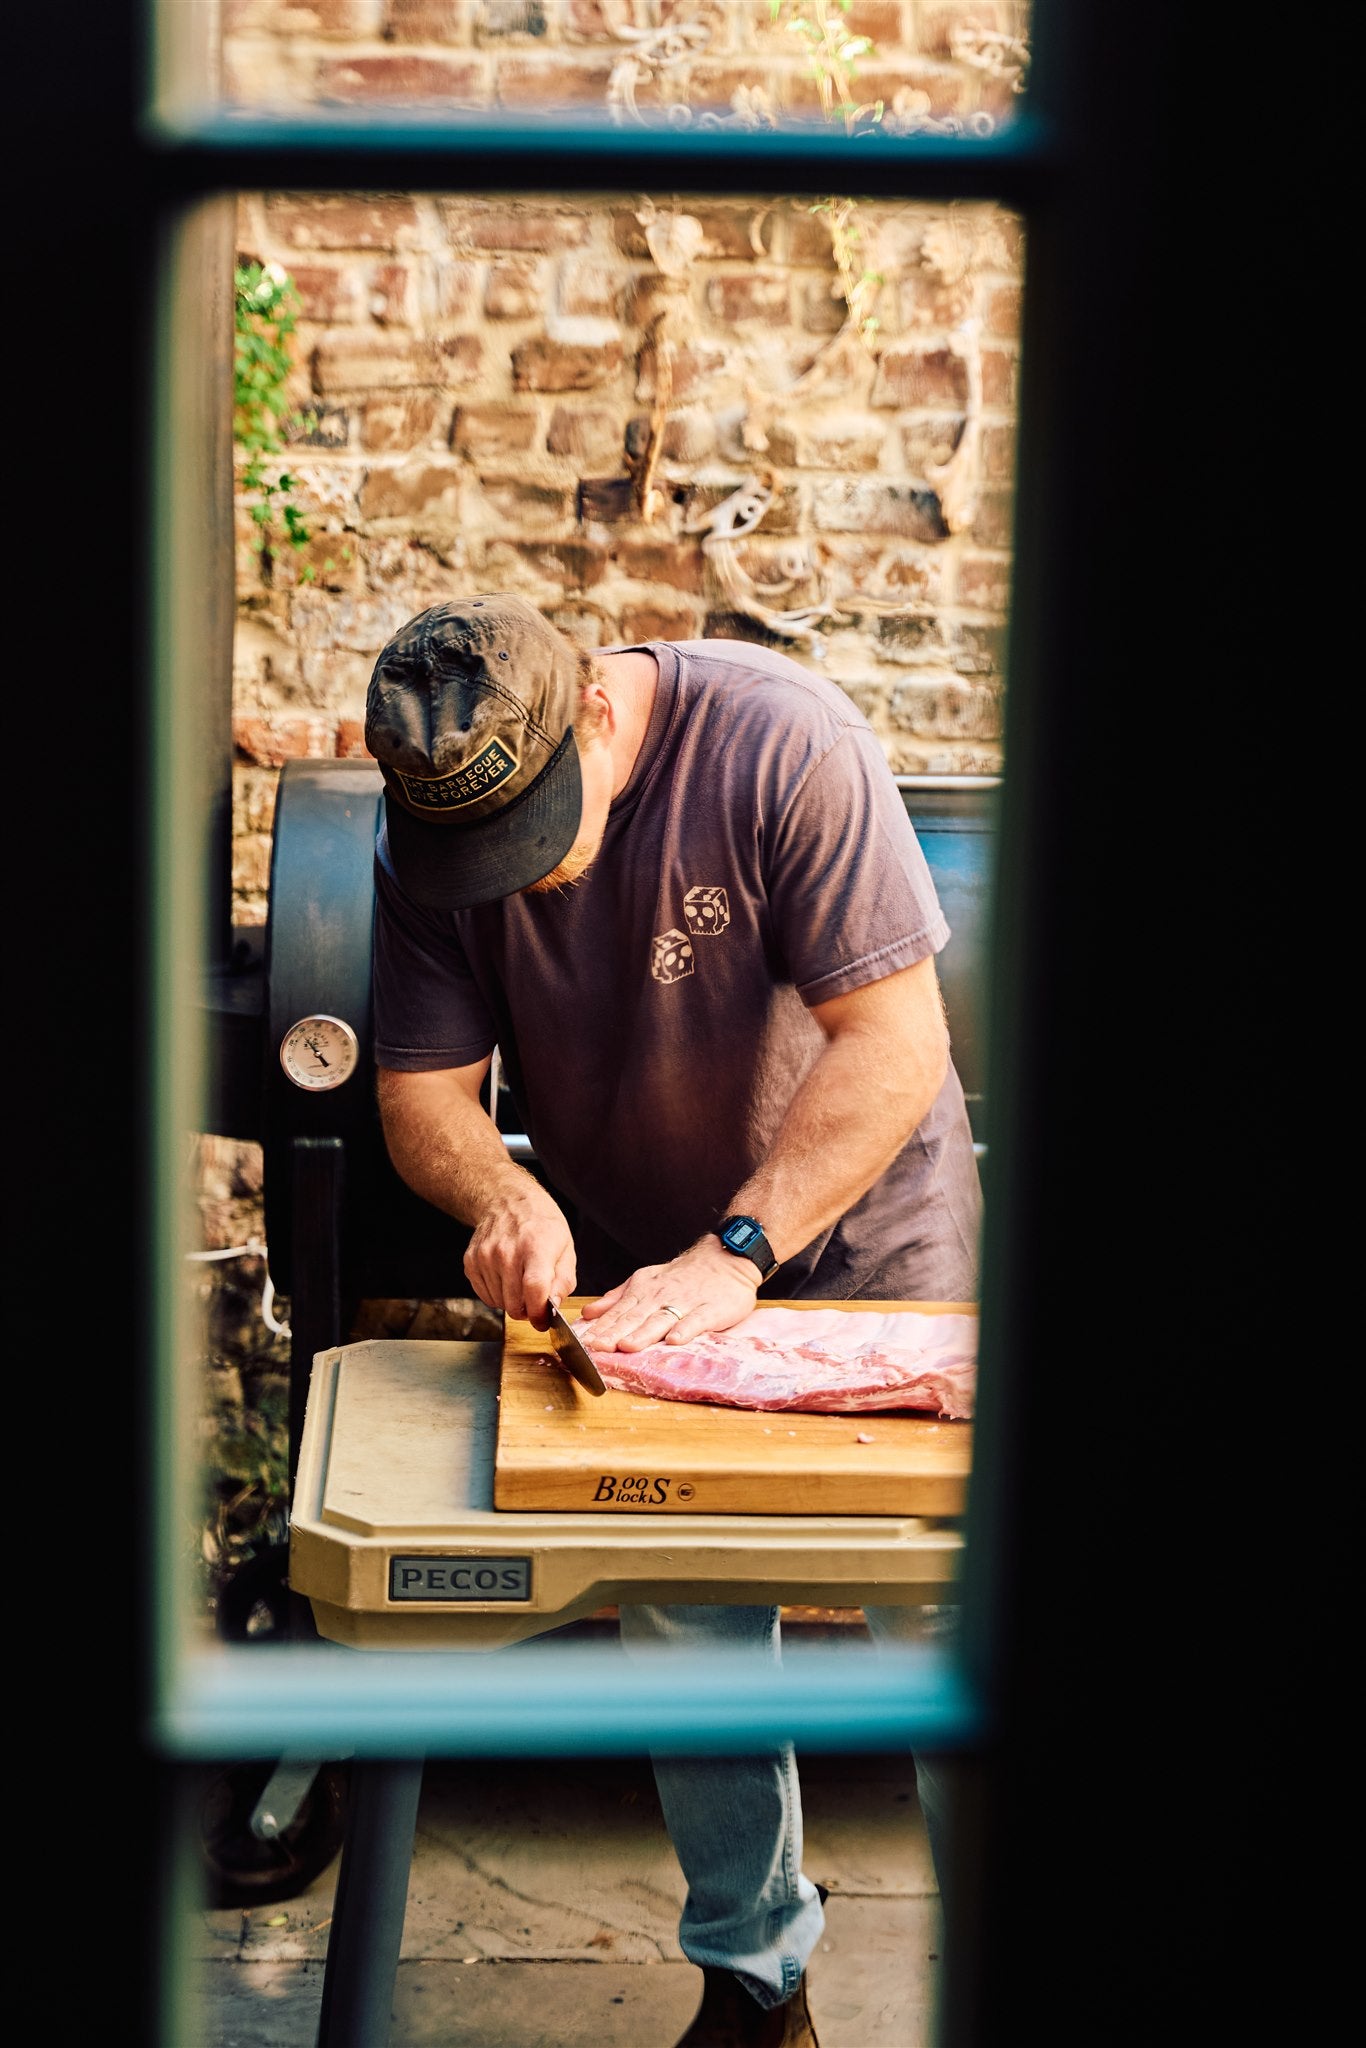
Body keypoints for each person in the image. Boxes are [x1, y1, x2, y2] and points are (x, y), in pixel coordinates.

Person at [366, 593, 982, 2048]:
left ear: (593, 710)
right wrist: (495, 1202)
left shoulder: (780, 743)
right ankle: (756, 1981)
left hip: (859, 1243)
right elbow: (420, 1095)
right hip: (651, 1273)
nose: (516, 881)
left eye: (536, 836)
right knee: (686, 1606)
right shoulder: (428, 830)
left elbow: (895, 1040)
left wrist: (745, 1247)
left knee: (940, 1628)